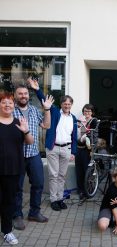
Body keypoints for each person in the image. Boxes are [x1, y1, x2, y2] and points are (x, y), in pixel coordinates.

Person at [30, 79, 78, 211]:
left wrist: (73, 152)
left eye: (69, 103)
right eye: (65, 103)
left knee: (62, 175)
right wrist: (37, 89)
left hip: (66, 149)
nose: (67, 105)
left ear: (71, 105)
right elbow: (45, 101)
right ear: (61, 104)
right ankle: (53, 199)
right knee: (53, 175)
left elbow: (74, 136)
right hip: (53, 147)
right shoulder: (56, 112)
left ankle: (60, 198)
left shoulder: (73, 118)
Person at [13, 81, 54, 230]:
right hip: (16, 156)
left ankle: (34, 212)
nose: (23, 96)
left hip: (34, 154)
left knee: (38, 184)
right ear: (15, 96)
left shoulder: (34, 110)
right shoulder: (10, 111)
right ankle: (16, 215)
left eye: (25, 94)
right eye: (20, 94)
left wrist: (47, 109)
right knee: (16, 187)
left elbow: (46, 125)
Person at [0, 91, 34, 245]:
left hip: (13, 169)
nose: (7, 105)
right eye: (3, 102)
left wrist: (26, 130)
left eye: (10, 102)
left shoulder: (19, 122)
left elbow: (30, 142)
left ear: (13, 106)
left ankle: (7, 231)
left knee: (9, 201)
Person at [75, 104, 98, 204]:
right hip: (78, 148)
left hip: (87, 150)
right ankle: (80, 190)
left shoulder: (94, 121)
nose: (87, 113)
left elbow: (91, 134)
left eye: (89, 111)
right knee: (78, 170)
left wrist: (83, 134)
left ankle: (87, 191)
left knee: (86, 170)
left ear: (92, 112)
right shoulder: (81, 121)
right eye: (85, 111)